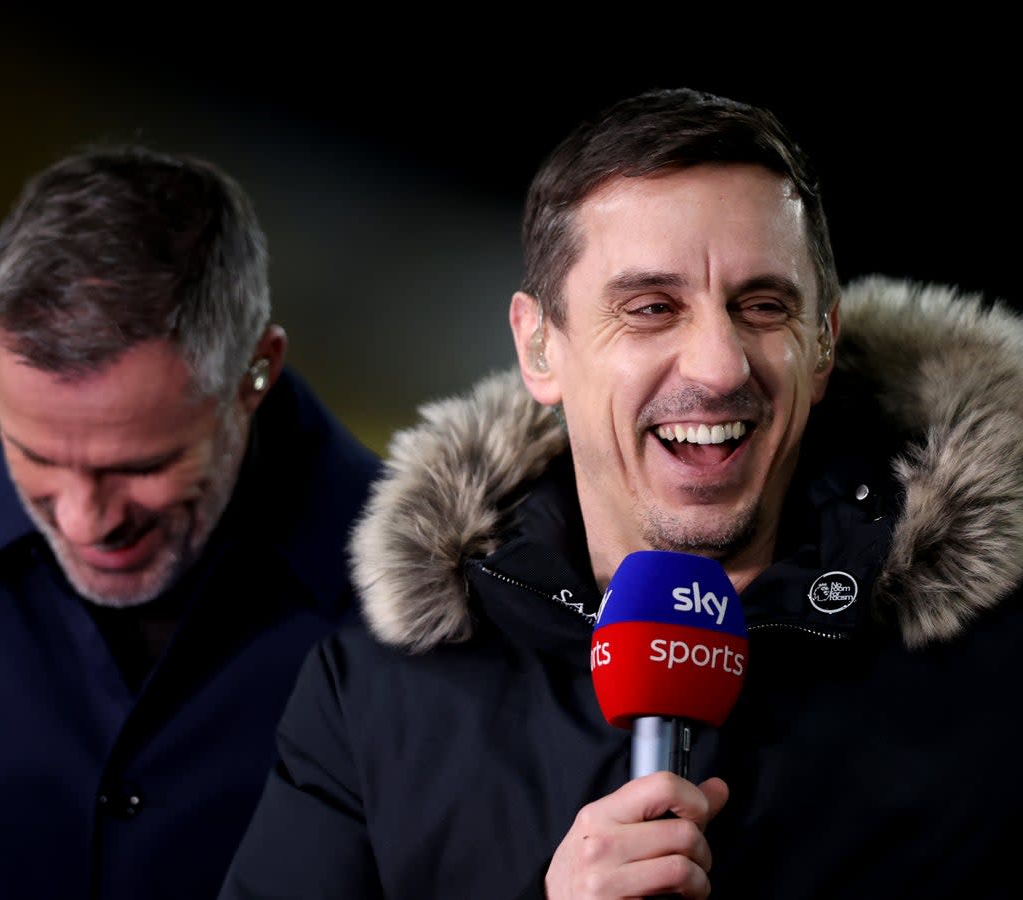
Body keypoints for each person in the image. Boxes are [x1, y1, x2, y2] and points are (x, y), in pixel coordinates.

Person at [218, 87, 1023, 899]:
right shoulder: (371, 696)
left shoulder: (1003, 665)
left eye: (764, 306)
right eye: (650, 308)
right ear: (540, 349)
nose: (718, 366)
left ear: (822, 344)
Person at [0, 145, 382, 898]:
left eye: (141, 466)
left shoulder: (463, 605)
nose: (87, 522)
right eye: (36, 456)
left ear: (257, 371)